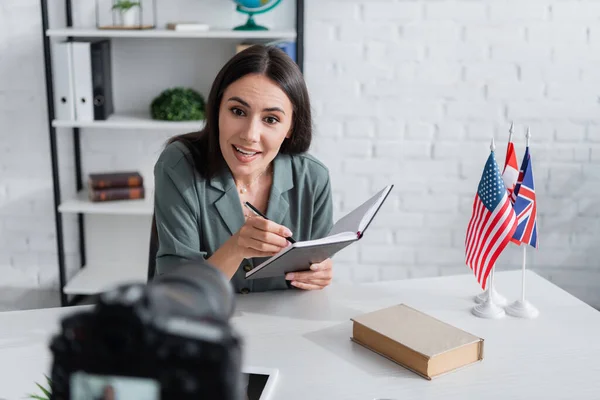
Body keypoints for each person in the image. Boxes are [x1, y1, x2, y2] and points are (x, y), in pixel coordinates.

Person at [153, 45, 334, 294]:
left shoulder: (313, 179)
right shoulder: (178, 165)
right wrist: (236, 247)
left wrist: (318, 276)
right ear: (218, 110)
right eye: (238, 111)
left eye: (271, 119)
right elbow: (179, 293)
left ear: (290, 127)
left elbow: (310, 283)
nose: (250, 135)